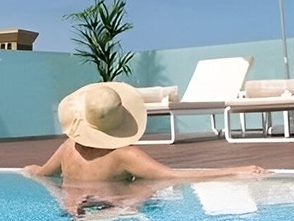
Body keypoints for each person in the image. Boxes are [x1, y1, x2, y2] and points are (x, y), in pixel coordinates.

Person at [22, 81, 268, 211]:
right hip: (114, 209)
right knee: (148, 192)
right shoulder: (123, 155)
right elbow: (174, 176)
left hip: (71, 208)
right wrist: (236, 170)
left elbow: (44, 174)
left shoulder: (68, 147)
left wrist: (28, 169)